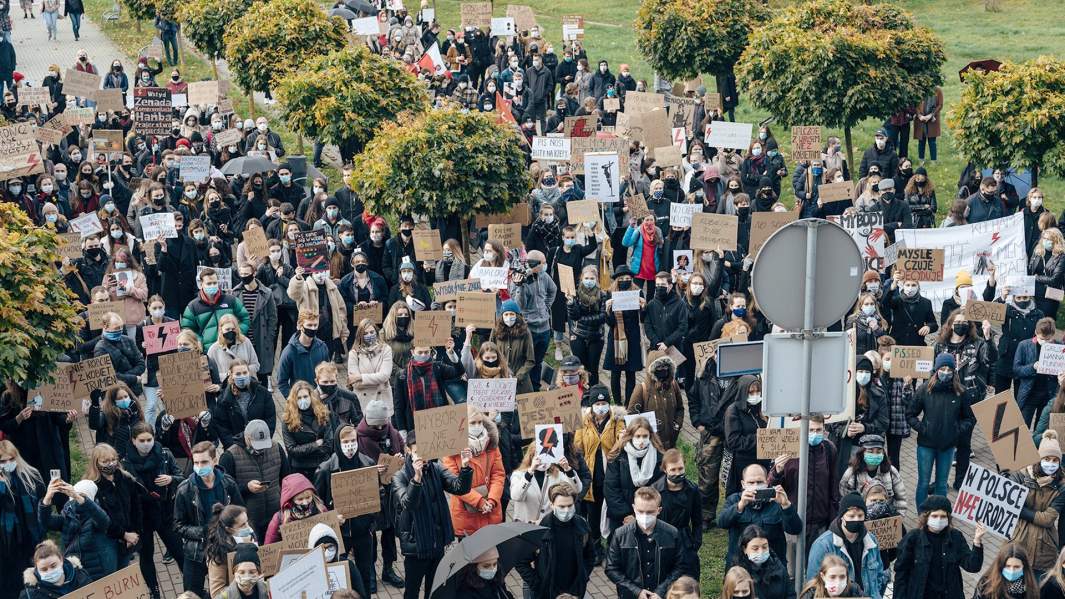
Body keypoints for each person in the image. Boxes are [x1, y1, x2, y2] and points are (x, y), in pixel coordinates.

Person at [393, 434, 474, 599]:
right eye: (417, 452)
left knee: (434, 591)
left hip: (437, 543)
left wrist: (465, 468)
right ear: (408, 450)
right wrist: (416, 479)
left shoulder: (436, 468)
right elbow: (408, 504)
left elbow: (460, 488)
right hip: (416, 547)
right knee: (412, 592)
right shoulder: (399, 477)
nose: (423, 458)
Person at [313, 423, 388, 594]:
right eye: (345, 441)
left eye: (353, 440)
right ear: (338, 443)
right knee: (340, 576)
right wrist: (333, 518)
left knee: (365, 573)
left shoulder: (367, 463)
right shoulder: (325, 469)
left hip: (363, 532)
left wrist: (372, 517)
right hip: (339, 534)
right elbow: (318, 505)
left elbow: (378, 494)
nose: (350, 445)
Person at [174, 441, 244, 598]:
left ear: (215, 460)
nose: (199, 466)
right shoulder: (185, 490)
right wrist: (204, 531)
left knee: (227, 591)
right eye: (196, 462)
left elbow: (241, 513)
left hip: (225, 548)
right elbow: (178, 526)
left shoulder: (228, 484)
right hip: (197, 552)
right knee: (192, 593)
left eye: (204, 462)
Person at [121, 423, 184, 597]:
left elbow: (181, 478)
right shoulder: (125, 464)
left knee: (179, 551)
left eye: (149, 439)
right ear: (134, 440)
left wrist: (171, 479)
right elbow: (125, 495)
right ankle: (154, 590)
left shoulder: (164, 454)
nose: (146, 444)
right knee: (147, 556)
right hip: (142, 517)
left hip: (165, 512)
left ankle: (190, 586)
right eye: (142, 440)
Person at [605, 486, 695, 599]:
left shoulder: (672, 534)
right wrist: (636, 591)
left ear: (659, 510)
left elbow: (680, 566)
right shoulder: (620, 535)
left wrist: (661, 591)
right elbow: (611, 568)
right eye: (640, 511)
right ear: (633, 508)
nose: (645, 516)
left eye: (650, 512)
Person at [909, 353, 974, 507]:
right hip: (926, 445)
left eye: (949, 369)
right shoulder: (925, 390)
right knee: (924, 483)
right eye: (942, 368)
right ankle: (921, 516)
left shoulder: (960, 392)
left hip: (948, 446)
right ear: (936, 369)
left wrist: (956, 430)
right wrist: (923, 429)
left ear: (954, 371)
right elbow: (910, 414)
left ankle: (941, 513)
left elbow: (970, 418)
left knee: (941, 484)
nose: (945, 372)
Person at [893, 494, 986, 599]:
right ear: (926, 517)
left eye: (943, 516)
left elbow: (972, 566)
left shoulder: (955, 537)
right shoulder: (913, 539)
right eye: (934, 516)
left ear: (948, 518)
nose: (939, 520)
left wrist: (977, 541)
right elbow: (901, 574)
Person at [768, 415, 838, 552]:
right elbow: (772, 487)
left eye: (819, 430)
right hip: (793, 519)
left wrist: (833, 518)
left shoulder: (829, 450)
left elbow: (833, 485)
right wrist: (777, 470)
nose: (815, 434)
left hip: (820, 522)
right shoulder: (787, 448)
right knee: (793, 569)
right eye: (810, 430)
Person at [516, 482, 596, 599]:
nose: (566, 510)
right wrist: (539, 586)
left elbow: (590, 556)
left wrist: (581, 579)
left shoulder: (582, 526)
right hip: (547, 593)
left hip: (574, 593)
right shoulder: (540, 530)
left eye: (570, 505)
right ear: (552, 505)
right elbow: (521, 562)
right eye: (561, 507)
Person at [573, 384, 625, 562]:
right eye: (597, 403)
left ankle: (613, 549)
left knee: (611, 514)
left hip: (611, 476)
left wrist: (616, 445)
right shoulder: (583, 422)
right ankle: (596, 549)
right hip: (592, 476)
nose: (601, 407)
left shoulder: (618, 421)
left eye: (604, 403)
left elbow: (621, 439)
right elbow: (577, 446)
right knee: (593, 516)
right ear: (592, 406)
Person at [719, 461, 802, 569]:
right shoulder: (734, 499)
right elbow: (722, 523)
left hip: (773, 566)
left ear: (767, 482)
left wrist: (786, 505)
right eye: (751, 482)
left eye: (759, 482)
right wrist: (740, 506)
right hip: (740, 566)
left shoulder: (776, 501)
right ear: (743, 484)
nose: (756, 486)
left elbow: (795, 529)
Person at [217, 420, 289, 541]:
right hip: (249, 520)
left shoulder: (276, 448)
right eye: (257, 445)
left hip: (276, 515)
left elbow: (286, 478)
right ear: (247, 438)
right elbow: (225, 490)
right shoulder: (229, 456)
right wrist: (246, 488)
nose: (261, 450)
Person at [806, 493, 889, 599]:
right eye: (851, 516)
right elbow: (813, 585)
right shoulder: (823, 545)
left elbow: (879, 576)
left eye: (860, 516)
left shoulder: (871, 541)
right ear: (842, 517)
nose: (856, 519)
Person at [1010, 431, 1065, 579]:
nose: (1051, 464)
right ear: (1039, 458)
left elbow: (1048, 519)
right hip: (1017, 542)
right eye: (1047, 458)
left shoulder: (1061, 485)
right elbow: (1009, 503)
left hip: (1044, 548)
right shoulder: (1021, 475)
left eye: (1055, 460)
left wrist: (1021, 511)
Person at [441, 408, 505, 537]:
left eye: (480, 422)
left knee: (492, 555)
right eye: (473, 423)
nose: (477, 426)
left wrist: (492, 500)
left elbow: (498, 475)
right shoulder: (452, 450)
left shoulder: (491, 445)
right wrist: (479, 502)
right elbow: (453, 483)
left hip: (490, 510)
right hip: (466, 515)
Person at [37, 478, 110, 582]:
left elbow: (104, 522)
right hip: (73, 567)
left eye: (82, 496)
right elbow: (46, 522)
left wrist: (78, 496)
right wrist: (47, 498)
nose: (76, 501)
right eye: (74, 496)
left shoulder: (96, 513)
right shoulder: (69, 511)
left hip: (95, 568)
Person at [86, 443, 143, 576]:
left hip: (128, 537)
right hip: (106, 540)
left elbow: (136, 507)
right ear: (96, 463)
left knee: (123, 572)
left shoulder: (126, 478)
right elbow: (100, 519)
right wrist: (123, 534)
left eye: (113, 460)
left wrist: (134, 532)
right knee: (110, 575)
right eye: (105, 461)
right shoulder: (92, 487)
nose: (110, 464)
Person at [508, 249, 557, 390]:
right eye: (543, 263)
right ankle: (523, 388)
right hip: (528, 327)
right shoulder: (519, 278)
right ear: (534, 264)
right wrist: (520, 287)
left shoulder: (544, 275)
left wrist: (546, 306)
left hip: (544, 327)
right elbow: (518, 304)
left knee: (538, 361)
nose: (546, 265)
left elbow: (553, 290)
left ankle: (535, 389)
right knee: (528, 361)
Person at [604, 417, 664, 530]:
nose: (641, 440)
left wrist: (647, 513)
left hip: (649, 515)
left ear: (650, 436)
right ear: (630, 436)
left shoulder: (658, 457)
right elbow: (611, 488)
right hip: (623, 518)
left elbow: (661, 488)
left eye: (645, 436)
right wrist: (626, 515)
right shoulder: (618, 457)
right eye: (638, 436)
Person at [1, 442, 44, 588]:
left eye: (11, 459)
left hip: (30, 534)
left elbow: (41, 503)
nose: (8, 464)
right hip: (8, 540)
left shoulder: (29, 476)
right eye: (3, 461)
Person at [510, 441, 584, 524]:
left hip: (548, 525)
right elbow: (516, 496)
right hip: (526, 523)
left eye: (547, 456)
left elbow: (577, 489)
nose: (543, 461)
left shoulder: (557, 474)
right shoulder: (519, 475)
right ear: (531, 457)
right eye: (540, 457)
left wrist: (567, 469)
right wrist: (530, 472)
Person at [211, 360, 276, 448]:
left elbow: (270, 419)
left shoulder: (262, 393)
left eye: (245, 373)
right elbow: (221, 427)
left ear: (249, 373)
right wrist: (234, 446)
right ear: (231, 375)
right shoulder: (224, 399)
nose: (242, 376)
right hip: (236, 448)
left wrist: (263, 439)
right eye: (238, 374)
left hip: (261, 444)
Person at [604, 266, 645, 405]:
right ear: (616, 280)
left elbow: (643, 319)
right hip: (616, 338)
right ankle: (617, 403)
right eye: (621, 279)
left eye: (628, 278)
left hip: (632, 337)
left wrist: (644, 307)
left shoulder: (638, 292)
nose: (625, 281)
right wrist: (607, 311)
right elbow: (609, 323)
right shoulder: (610, 293)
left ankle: (628, 403)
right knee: (615, 373)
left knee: (630, 373)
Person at [838, 434, 907, 516]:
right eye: (870, 451)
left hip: (886, 520)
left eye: (878, 451)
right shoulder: (851, 473)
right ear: (862, 452)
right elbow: (845, 500)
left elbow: (901, 498)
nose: (875, 454)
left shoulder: (891, 471)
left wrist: (898, 518)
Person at [181, 268, 251, 348]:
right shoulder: (192, 307)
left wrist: (238, 333)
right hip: (208, 351)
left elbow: (245, 318)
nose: (212, 286)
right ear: (201, 284)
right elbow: (187, 329)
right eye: (209, 283)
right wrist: (198, 341)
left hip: (232, 347)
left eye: (215, 283)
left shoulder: (231, 300)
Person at [233, 262, 278, 387]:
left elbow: (273, 317)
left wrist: (269, 337)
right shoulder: (235, 293)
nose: (243, 276)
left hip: (261, 339)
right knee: (244, 372)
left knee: (261, 375)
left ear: (254, 274)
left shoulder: (266, 293)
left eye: (246, 274)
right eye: (241, 274)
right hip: (244, 339)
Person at [627, 355, 684, 449]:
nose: (663, 369)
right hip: (649, 445)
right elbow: (631, 417)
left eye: (665, 366)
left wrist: (677, 425)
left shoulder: (673, 385)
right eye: (659, 367)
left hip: (670, 443)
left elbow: (680, 408)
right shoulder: (642, 389)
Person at [280, 381, 334, 481]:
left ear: (311, 396)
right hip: (300, 469)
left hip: (322, 465)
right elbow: (292, 450)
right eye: (299, 398)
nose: (303, 400)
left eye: (305, 396)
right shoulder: (287, 420)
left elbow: (329, 444)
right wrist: (316, 444)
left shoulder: (323, 414)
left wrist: (304, 450)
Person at [723, 375, 768, 495]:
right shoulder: (733, 411)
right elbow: (733, 441)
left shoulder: (762, 409)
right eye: (751, 392)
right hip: (743, 463)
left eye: (758, 391)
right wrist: (761, 439)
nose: (755, 395)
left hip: (763, 461)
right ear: (743, 392)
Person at [652, 449, 701, 549]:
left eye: (680, 468)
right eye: (673, 470)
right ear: (665, 470)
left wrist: (695, 542)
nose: (677, 473)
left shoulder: (692, 490)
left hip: (684, 539)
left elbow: (697, 520)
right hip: (661, 539)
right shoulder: (655, 490)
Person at [732, 525, 796, 599]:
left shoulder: (778, 567)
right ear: (744, 549)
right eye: (755, 548)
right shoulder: (737, 571)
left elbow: (790, 594)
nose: (761, 552)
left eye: (764, 547)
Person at [276, 312, 331, 398]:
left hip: (320, 399)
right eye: (309, 325)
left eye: (315, 325)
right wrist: (294, 399)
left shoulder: (322, 347)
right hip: (301, 401)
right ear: (300, 326)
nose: (313, 328)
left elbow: (328, 373)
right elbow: (282, 382)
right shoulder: (289, 352)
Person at [203, 505, 251, 597]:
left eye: (247, 521)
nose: (248, 527)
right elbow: (216, 593)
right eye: (242, 525)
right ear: (229, 529)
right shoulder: (218, 553)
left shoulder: (248, 539)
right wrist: (243, 585)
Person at [18, 540, 92, 599]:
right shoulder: (29, 595)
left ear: (61, 560)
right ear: (37, 569)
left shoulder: (81, 577)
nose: (49, 571)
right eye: (44, 569)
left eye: (53, 566)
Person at [885, 274, 938, 347]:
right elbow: (885, 303)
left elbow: (933, 323)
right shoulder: (897, 300)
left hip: (916, 344)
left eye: (913, 285)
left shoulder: (926, 303)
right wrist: (891, 289)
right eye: (907, 285)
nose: (910, 288)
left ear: (918, 287)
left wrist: (928, 327)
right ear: (903, 286)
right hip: (897, 344)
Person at [973, 543, 1039, 599]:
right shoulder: (986, 584)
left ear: (1024, 567)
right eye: (1008, 566)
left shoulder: (1030, 587)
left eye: (1016, 567)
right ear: (1001, 565)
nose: (1012, 570)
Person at [208, 314, 260, 383]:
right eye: (227, 329)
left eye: (233, 329)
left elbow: (256, 365)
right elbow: (210, 374)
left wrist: (243, 372)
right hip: (226, 387)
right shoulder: (214, 349)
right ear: (221, 330)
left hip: (248, 384)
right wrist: (228, 375)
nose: (231, 331)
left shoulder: (245, 342)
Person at [1031, 228, 1065, 318]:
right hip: (1034, 292)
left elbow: (1054, 279)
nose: (1045, 241)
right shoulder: (1038, 251)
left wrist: (1036, 277)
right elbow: (1030, 270)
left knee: (1044, 323)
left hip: (1050, 295)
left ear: (1056, 241)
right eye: (1044, 238)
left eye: (1049, 239)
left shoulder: (1061, 257)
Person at [799, 554, 863, 599]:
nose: (838, 581)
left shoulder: (854, 590)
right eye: (832, 577)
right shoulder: (811, 593)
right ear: (823, 576)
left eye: (842, 577)